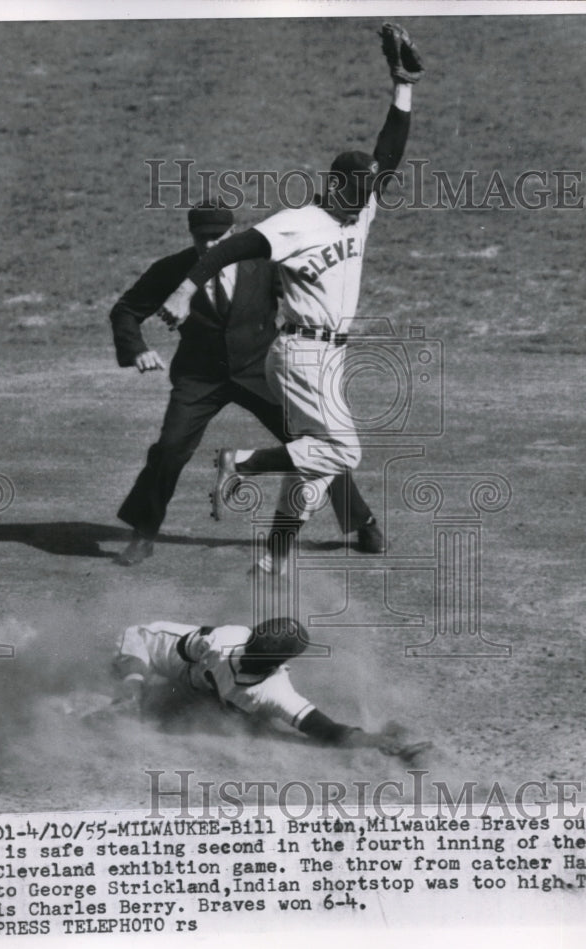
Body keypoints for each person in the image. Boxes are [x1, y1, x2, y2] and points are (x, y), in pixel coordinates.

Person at [157, 23, 423, 575]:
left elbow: (390, 151)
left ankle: (275, 556)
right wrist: (185, 289)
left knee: (318, 461)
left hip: (327, 357)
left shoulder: (362, 204)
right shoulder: (298, 223)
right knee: (344, 451)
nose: (368, 198)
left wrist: (402, 86)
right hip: (302, 354)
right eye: (361, 191)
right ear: (338, 188)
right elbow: (231, 250)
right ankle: (241, 462)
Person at [110, 202, 384, 566]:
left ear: (233, 233)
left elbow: (309, 289)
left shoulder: (265, 264)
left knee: (317, 443)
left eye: (217, 238)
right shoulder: (173, 270)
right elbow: (125, 310)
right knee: (170, 449)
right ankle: (143, 534)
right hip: (200, 377)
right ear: (190, 235)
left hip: (260, 370)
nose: (209, 246)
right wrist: (137, 350)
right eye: (201, 238)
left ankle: (361, 521)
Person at [109, 615, 431, 762]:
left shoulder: (277, 693)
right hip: (147, 645)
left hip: (191, 684)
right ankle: (124, 699)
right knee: (134, 688)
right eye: (253, 643)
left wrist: (376, 740)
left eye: (258, 651)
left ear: (273, 664)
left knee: (216, 709)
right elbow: (171, 650)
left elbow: (327, 730)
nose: (250, 650)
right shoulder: (223, 639)